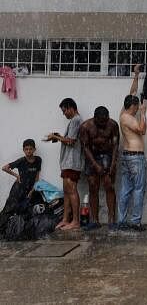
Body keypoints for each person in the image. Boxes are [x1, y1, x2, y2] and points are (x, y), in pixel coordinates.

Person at [117, 64, 147, 231]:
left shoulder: (123, 113)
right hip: (135, 157)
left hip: (127, 156)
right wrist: (143, 113)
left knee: (125, 189)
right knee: (138, 189)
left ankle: (121, 221)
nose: (137, 109)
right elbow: (142, 130)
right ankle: (135, 222)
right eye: (137, 107)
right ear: (133, 106)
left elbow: (132, 93)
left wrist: (136, 75)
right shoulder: (130, 118)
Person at [80, 106, 120, 230]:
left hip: (108, 155)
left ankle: (112, 220)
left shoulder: (113, 125)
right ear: (95, 118)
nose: (104, 124)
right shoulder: (86, 127)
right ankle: (95, 220)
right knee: (93, 186)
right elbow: (85, 147)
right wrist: (95, 165)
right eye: (101, 122)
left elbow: (115, 145)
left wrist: (113, 164)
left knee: (109, 185)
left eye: (106, 120)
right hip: (92, 156)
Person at [48, 98, 84, 231]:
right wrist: (57, 137)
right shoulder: (74, 121)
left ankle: (75, 221)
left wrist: (56, 137)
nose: (64, 114)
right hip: (68, 161)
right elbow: (69, 140)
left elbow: (71, 141)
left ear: (71, 108)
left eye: (64, 111)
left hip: (72, 161)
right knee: (67, 191)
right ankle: (65, 219)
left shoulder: (75, 120)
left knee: (72, 190)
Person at [1, 139, 42, 216]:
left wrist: (32, 190)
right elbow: (4, 168)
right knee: (11, 210)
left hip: (30, 189)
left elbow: (37, 177)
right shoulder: (21, 161)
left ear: (34, 149)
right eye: (26, 149)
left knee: (25, 210)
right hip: (18, 189)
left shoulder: (38, 160)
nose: (28, 151)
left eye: (30, 149)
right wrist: (16, 175)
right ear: (23, 150)